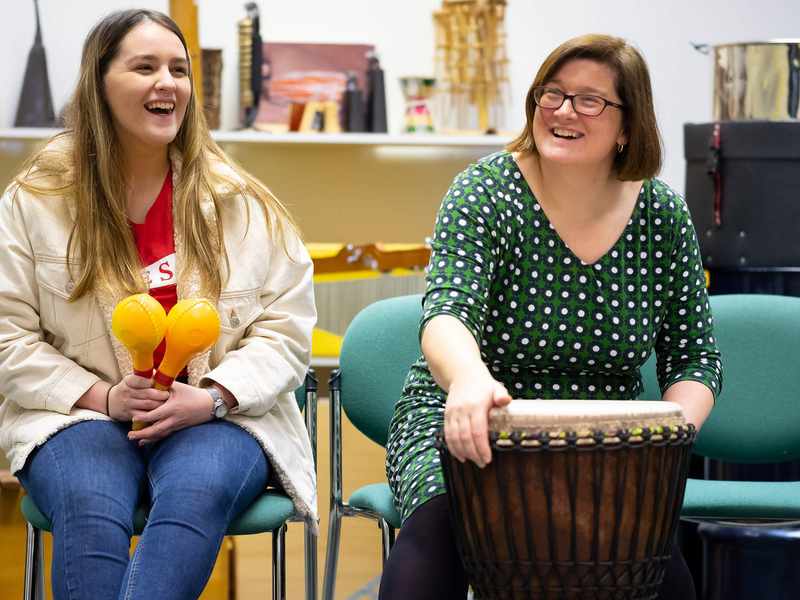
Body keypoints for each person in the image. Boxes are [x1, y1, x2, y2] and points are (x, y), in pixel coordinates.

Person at [380, 34, 722, 600]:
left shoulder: (663, 213)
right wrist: (468, 379)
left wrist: (668, 436)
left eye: (590, 101)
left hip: (606, 439)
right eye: (552, 94)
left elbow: (695, 356)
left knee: (664, 576)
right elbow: (446, 311)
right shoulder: (487, 190)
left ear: (628, 126)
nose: (564, 111)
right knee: (438, 533)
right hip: (474, 421)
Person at [0, 9, 316, 600]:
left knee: (196, 492)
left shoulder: (241, 201)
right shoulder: (33, 200)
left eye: (178, 69)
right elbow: (6, 335)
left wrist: (214, 397)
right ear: (99, 83)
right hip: (77, 418)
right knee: (90, 501)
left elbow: (285, 332)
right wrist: (104, 397)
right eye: (143, 67)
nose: (166, 83)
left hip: (223, 419)